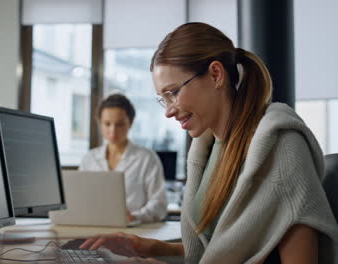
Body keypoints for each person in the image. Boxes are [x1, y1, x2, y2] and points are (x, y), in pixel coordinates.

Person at [79, 22, 338, 263]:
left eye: (174, 93)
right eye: (163, 98)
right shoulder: (210, 151)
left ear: (215, 75)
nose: (168, 111)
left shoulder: (282, 148)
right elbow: (215, 253)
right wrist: (148, 248)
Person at [79, 93, 168, 223]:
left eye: (120, 124)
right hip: (95, 227)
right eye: (107, 124)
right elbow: (81, 200)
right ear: (100, 123)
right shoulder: (89, 159)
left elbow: (159, 205)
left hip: (135, 231)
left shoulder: (147, 158)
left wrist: (135, 216)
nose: (113, 131)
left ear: (130, 123)